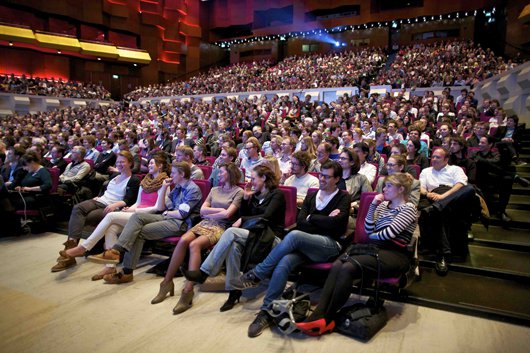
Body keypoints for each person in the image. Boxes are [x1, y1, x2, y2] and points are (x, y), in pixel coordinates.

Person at [235, 160, 350, 338]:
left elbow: (336, 226)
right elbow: (302, 221)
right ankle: (266, 312)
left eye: (327, 177)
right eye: (321, 175)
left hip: (329, 245)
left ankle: (259, 272)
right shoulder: (312, 196)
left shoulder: (343, 197)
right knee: (284, 262)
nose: (322, 179)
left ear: (337, 179)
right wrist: (321, 219)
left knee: (294, 236)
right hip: (306, 245)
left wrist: (313, 218)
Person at [297, 173, 417, 336]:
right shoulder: (382, 205)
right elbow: (369, 230)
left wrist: (374, 235)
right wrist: (373, 206)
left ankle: (327, 317)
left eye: (389, 186)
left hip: (395, 254)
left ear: (401, 189)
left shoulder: (409, 208)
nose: (384, 189)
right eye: (385, 185)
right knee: (339, 264)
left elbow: (388, 234)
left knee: (348, 267)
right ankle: (319, 314)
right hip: (375, 249)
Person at [182, 165, 285, 313]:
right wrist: (245, 199)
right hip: (255, 235)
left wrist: (243, 219)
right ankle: (234, 292)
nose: (251, 181)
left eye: (254, 178)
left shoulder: (277, 194)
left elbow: (266, 218)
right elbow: (245, 215)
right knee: (233, 247)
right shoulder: (255, 195)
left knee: (230, 232)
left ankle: (204, 272)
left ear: (263, 178)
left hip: (271, 238)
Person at [150, 163, 243, 314]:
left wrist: (212, 213)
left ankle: (188, 290)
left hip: (221, 226)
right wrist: (219, 210)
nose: (218, 174)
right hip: (205, 222)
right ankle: (166, 282)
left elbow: (227, 215)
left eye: (222, 172)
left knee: (195, 245)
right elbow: (202, 211)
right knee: (183, 240)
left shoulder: (238, 192)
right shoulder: (214, 189)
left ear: (231, 174)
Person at [57, 155, 169, 280]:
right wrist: (129, 209)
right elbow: (138, 202)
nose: (149, 165)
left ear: (160, 166)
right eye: (148, 164)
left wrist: (135, 210)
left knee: (110, 216)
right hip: (135, 212)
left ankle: (84, 247)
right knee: (111, 229)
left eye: (152, 163)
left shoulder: (164, 183)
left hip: (148, 216)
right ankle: (110, 266)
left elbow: (158, 208)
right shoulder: (145, 181)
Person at [92, 161, 202, 284]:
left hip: (181, 224)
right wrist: (164, 187)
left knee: (139, 232)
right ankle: (116, 251)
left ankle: (126, 271)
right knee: (137, 216)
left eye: (174, 173)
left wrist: (167, 213)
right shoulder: (177, 187)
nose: (171, 175)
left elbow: (182, 214)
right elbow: (161, 207)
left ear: (181, 174)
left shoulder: (193, 189)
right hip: (169, 218)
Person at [51, 151, 141, 272]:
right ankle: (72, 247)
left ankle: (69, 255)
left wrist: (116, 204)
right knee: (77, 208)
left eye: (122, 162)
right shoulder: (114, 176)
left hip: (112, 207)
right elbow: (106, 191)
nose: (119, 164)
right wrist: (98, 196)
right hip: (100, 201)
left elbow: (128, 199)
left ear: (130, 163)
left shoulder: (133, 180)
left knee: (85, 218)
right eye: (118, 162)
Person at [418, 147, 476, 275]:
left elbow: (461, 184)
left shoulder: (455, 169)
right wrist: (428, 194)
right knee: (441, 211)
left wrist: (443, 198)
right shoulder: (426, 171)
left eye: (437, 157)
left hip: (451, 196)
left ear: (446, 159)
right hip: (432, 198)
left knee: (470, 189)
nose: (433, 159)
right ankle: (443, 254)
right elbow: (421, 187)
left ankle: (442, 252)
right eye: (432, 157)